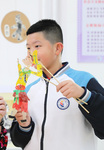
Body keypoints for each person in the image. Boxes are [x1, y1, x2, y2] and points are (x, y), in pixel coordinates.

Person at [10, 19, 104, 150]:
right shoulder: (29, 90)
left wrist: (84, 95)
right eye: (28, 48)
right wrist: (24, 126)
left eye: (37, 46)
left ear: (57, 48)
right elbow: (18, 142)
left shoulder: (83, 80)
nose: (31, 53)